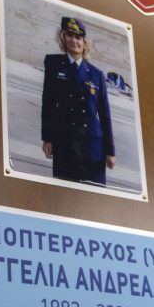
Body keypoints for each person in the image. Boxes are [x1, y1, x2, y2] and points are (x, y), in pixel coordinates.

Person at [41, 17, 115, 185]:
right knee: (64, 190)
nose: (74, 41)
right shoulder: (54, 65)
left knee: (94, 193)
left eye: (78, 37)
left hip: (92, 145)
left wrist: (110, 151)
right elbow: (48, 104)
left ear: (84, 42)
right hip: (65, 142)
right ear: (63, 38)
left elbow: (105, 115)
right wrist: (47, 138)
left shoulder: (97, 74)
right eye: (70, 35)